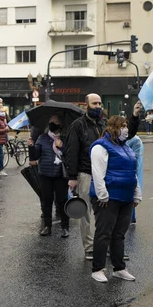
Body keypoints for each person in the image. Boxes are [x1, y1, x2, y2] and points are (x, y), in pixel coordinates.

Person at [89, 116, 141, 283]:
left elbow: (132, 172)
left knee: (119, 234)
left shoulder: (125, 147)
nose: (126, 129)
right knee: (104, 233)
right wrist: (102, 195)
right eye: (122, 126)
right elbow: (98, 173)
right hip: (108, 198)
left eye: (126, 126)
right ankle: (98, 268)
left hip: (125, 197)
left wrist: (136, 193)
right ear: (113, 127)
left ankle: (119, 268)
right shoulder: (100, 146)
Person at [65, 93, 106, 260]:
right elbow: (71, 152)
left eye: (100, 103)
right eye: (94, 103)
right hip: (85, 173)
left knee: (104, 211)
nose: (98, 106)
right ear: (86, 105)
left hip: (103, 174)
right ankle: (89, 247)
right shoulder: (78, 125)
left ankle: (104, 244)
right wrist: (72, 176)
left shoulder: (103, 124)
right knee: (86, 212)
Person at [32, 115, 70, 237]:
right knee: (46, 200)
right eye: (51, 121)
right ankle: (47, 226)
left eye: (56, 121)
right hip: (45, 174)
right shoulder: (42, 138)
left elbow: (70, 155)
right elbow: (35, 156)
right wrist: (31, 146)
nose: (52, 123)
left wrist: (62, 146)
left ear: (61, 124)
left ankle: (65, 227)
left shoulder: (65, 138)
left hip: (60, 174)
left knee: (62, 201)